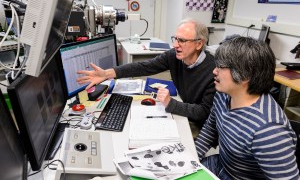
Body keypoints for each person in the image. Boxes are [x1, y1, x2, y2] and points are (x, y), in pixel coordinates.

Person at [77, 18, 216, 134]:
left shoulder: (213, 71)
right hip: (183, 109)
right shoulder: (174, 56)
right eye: (175, 39)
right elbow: (144, 66)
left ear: (199, 44)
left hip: (200, 124)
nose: (175, 45)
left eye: (182, 41)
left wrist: (171, 104)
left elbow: (204, 112)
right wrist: (108, 74)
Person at [195, 36, 299, 179]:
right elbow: (210, 128)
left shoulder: (268, 130)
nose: (214, 71)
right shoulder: (223, 94)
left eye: (221, 66)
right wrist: (192, 158)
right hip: (222, 165)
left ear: (245, 75)